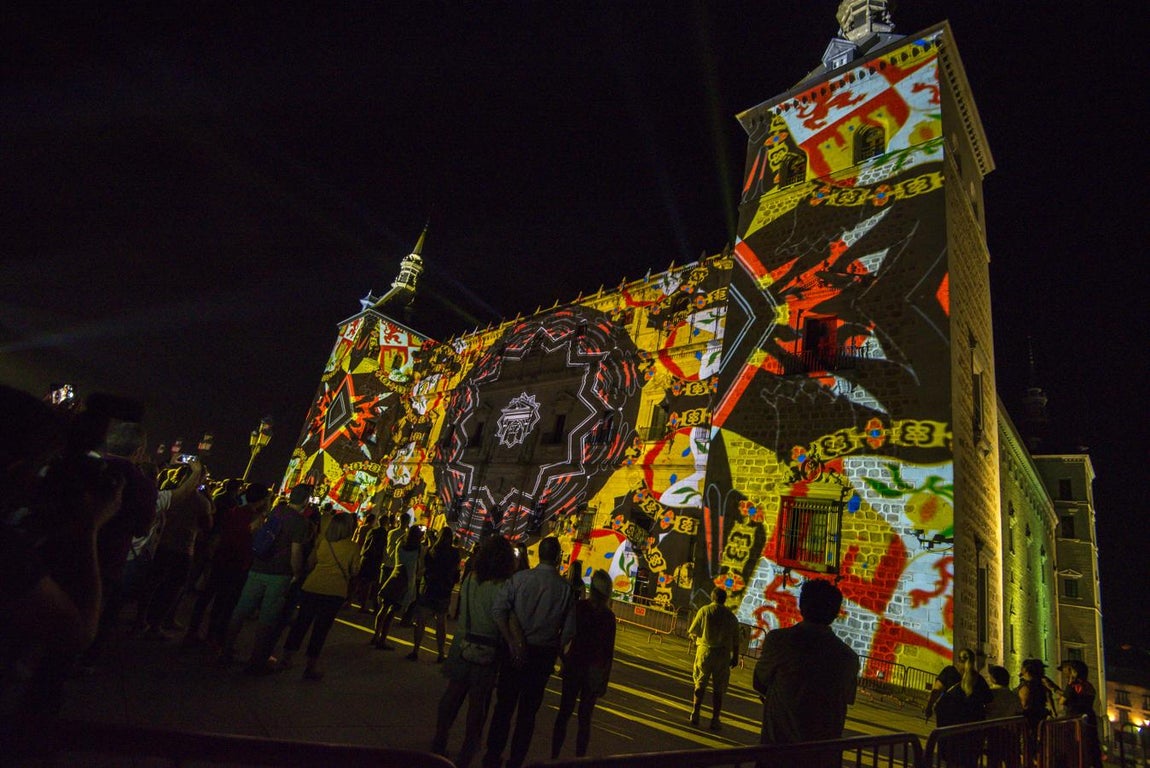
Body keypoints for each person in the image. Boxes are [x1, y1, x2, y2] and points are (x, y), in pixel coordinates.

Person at [482, 536, 576, 768]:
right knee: (527, 714)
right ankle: (516, 760)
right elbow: (568, 632)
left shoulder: (520, 579)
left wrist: (510, 640)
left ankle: (492, 757)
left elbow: (499, 611)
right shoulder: (565, 590)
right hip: (542, 655)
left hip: (513, 651)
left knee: (503, 708)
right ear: (557, 557)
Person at [753, 578, 859, 767]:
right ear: (835, 613)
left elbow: (759, 681)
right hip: (822, 758)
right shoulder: (848, 657)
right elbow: (846, 698)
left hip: (778, 753)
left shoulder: (779, 641)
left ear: (801, 606)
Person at [433, 535, 516, 768]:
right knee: (477, 707)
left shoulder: (471, 579)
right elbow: (502, 619)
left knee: (451, 696)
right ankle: (467, 752)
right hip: (487, 647)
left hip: (462, 641)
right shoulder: (503, 586)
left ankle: (439, 739)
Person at [220, 483, 311, 674]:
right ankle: (256, 660)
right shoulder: (301, 523)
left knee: (241, 610)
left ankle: (225, 650)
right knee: (267, 619)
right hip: (279, 574)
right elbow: (296, 552)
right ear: (305, 500)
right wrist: (297, 572)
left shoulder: (277, 510)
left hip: (258, 565)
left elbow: (256, 528)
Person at [185, 484, 269, 652]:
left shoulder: (234, 511)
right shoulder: (256, 519)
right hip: (238, 564)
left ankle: (193, 632)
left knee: (207, 597)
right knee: (225, 603)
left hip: (221, 558)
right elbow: (254, 542)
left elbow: (220, 533)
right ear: (261, 501)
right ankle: (214, 638)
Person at [278, 512, 360, 680]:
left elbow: (310, 562)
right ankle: (311, 666)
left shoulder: (322, 541)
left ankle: (286, 658)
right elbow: (355, 571)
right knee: (321, 629)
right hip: (335, 591)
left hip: (313, 585)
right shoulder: (352, 547)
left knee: (301, 623)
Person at [551, 569, 616, 759]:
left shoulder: (579, 608)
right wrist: (605, 678)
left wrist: (563, 657)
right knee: (585, 719)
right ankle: (580, 759)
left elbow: (565, 633)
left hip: (575, 664)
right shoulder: (608, 617)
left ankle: (554, 755)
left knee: (564, 713)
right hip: (594, 670)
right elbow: (608, 652)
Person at [687, 586, 740, 730]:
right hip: (722, 654)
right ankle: (715, 719)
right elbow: (736, 640)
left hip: (705, 650)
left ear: (712, 597)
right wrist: (735, 657)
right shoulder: (731, 616)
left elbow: (693, 631)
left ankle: (695, 713)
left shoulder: (704, 611)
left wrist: (696, 643)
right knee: (719, 688)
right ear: (724, 599)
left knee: (700, 683)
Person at [408, 527, 460, 662]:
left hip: (429, 588)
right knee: (441, 622)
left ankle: (416, 649)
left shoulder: (432, 551)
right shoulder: (454, 553)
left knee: (421, 620)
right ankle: (441, 653)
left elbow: (424, 568)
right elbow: (456, 573)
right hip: (444, 591)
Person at [372, 523, 423, 650]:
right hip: (405, 582)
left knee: (383, 608)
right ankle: (382, 639)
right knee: (391, 612)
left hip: (394, 576)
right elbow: (419, 566)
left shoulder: (401, 544)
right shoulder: (418, 549)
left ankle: (375, 636)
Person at [1058, 659, 1103, 768]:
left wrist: (1066, 688)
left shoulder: (1073, 686)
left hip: (1075, 722)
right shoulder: (1088, 686)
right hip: (1089, 719)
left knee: (1076, 748)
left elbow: (1062, 701)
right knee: (1092, 747)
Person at [1018, 658, 1051, 758]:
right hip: (1039, 720)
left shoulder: (1026, 686)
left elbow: (1024, 704)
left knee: (1029, 750)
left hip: (1029, 722)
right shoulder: (1040, 686)